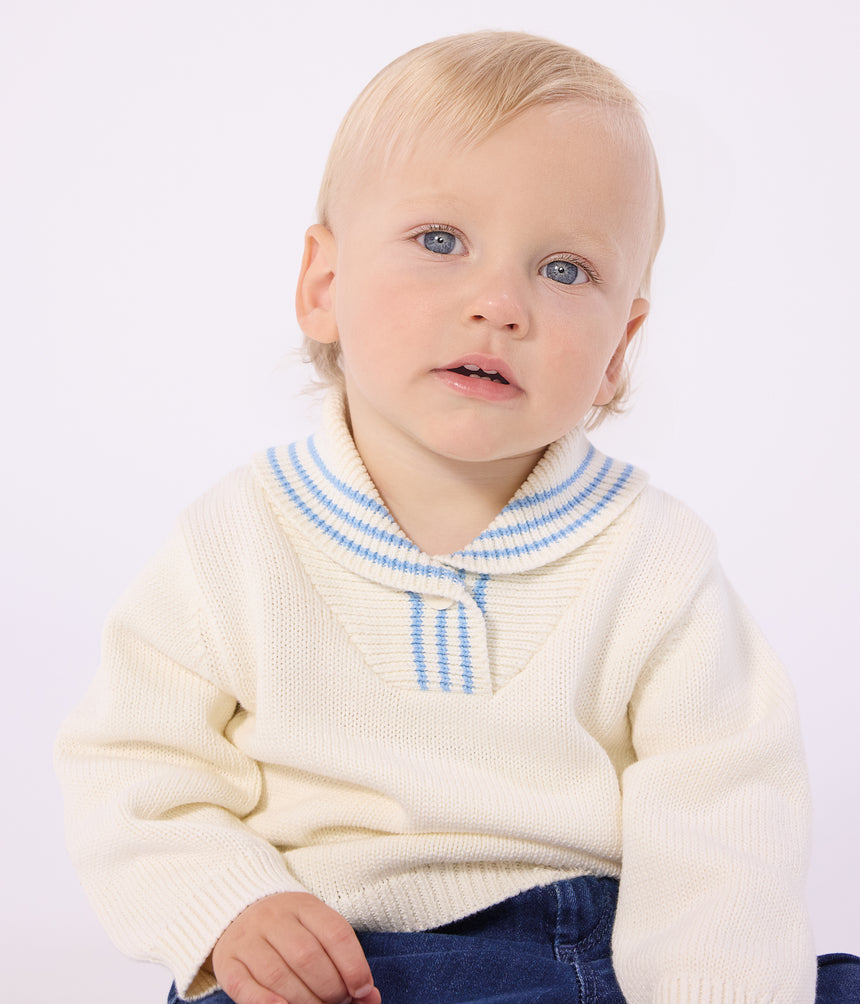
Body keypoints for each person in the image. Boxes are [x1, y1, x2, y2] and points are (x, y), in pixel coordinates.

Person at [55, 30, 859, 1004]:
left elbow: (723, 817)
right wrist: (228, 906)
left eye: (564, 270)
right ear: (323, 286)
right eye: (440, 241)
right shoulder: (235, 540)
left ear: (619, 348)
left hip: (595, 950)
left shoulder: (654, 557)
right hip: (334, 959)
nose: (498, 304)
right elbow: (136, 766)